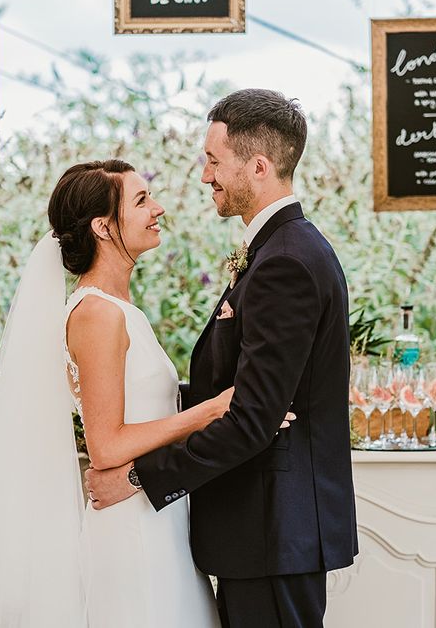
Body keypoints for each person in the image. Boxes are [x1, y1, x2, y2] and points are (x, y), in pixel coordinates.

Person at [0, 159, 294, 627]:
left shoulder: (121, 309)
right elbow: (106, 444)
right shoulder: (97, 314)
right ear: (102, 227)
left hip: (159, 513)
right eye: (140, 200)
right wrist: (211, 411)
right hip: (132, 526)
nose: (158, 208)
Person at [86, 89, 359, 627]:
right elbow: (236, 397)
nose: (204, 175)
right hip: (260, 531)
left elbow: (253, 422)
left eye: (213, 160)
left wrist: (140, 475)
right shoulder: (277, 251)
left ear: (257, 167)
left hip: (273, 530)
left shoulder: (286, 262)